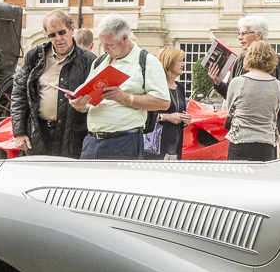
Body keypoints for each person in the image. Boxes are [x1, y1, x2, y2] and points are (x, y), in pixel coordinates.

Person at [70, 14, 171, 160]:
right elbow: (90, 101)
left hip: (124, 142)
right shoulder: (99, 62)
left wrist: (125, 98)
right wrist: (80, 105)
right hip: (92, 141)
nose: (104, 48)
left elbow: (163, 102)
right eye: (102, 43)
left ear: (124, 38)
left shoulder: (147, 62)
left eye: (109, 44)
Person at [10, 10, 98, 159]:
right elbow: (19, 94)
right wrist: (19, 132)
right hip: (38, 133)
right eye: (52, 35)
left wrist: (86, 106)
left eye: (62, 32)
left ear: (72, 30)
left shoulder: (89, 60)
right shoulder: (35, 57)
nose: (58, 38)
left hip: (73, 136)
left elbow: (100, 98)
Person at [207, 15, 280, 139]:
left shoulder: (277, 61)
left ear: (258, 35)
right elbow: (231, 94)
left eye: (244, 33)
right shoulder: (240, 60)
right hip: (240, 129)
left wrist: (255, 109)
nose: (239, 37)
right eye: (239, 33)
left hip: (265, 130)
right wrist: (218, 82)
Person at [224, 40, 280, 161]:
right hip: (266, 141)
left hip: (241, 139)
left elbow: (229, 110)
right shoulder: (278, 85)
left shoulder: (238, 82)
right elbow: (275, 112)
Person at [149, 46, 192, 161]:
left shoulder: (180, 88)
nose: (183, 64)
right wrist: (167, 117)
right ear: (170, 62)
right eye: (180, 61)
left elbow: (179, 113)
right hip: (157, 146)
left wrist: (185, 119)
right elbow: (144, 115)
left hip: (176, 146)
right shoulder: (155, 86)